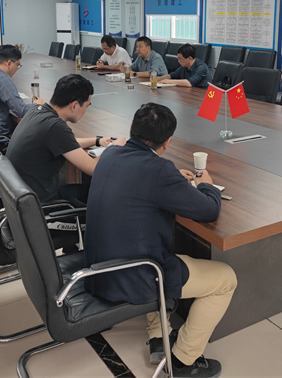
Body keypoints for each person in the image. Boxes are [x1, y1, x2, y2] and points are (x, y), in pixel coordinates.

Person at [85, 103, 235, 378]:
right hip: (133, 275)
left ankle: (158, 335)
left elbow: (141, 178)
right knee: (225, 279)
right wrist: (207, 184)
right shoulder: (159, 171)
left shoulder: (111, 154)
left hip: (98, 267)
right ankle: (183, 361)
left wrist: (172, 177)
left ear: (133, 130)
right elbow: (208, 210)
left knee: (157, 246)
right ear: (167, 142)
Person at [6, 74, 125, 207]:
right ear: (74, 105)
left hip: (22, 197)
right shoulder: (56, 127)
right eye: (87, 106)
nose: (86, 110)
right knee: (106, 197)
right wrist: (115, 148)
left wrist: (97, 140)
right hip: (42, 206)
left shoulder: (38, 111)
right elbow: (95, 168)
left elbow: (67, 143)